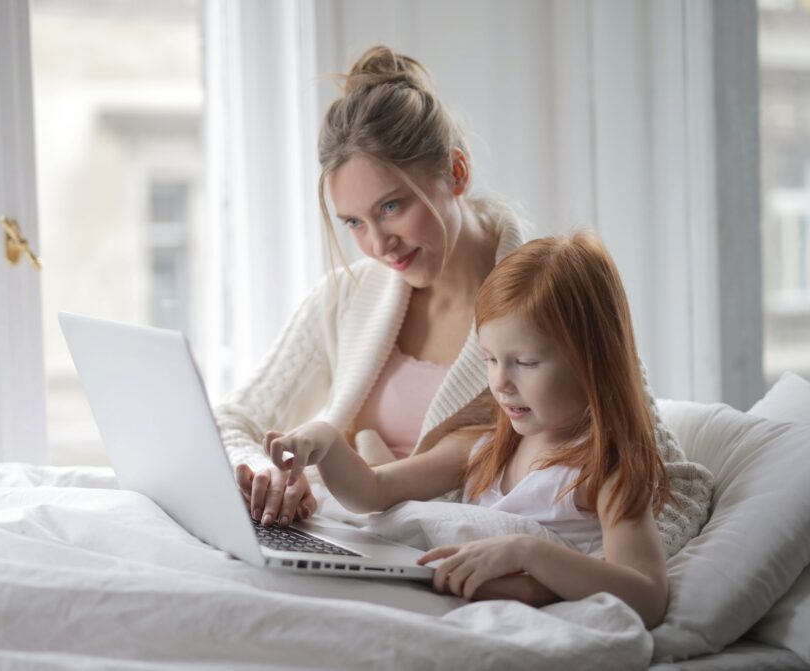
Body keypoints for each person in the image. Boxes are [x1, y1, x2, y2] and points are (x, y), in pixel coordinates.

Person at [215, 46, 712, 595]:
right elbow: (236, 423)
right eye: (353, 222)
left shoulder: (549, 300)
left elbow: (664, 477)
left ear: (456, 172)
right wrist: (264, 479)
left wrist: (558, 574)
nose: (377, 245)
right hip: (352, 537)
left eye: (391, 207)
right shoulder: (345, 298)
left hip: (446, 568)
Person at [264, 233, 671, 627]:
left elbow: (647, 595)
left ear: (593, 362)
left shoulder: (603, 469)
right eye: (490, 359)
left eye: (525, 362)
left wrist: (528, 553)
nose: (500, 383)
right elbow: (372, 491)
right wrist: (327, 441)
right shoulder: (485, 446)